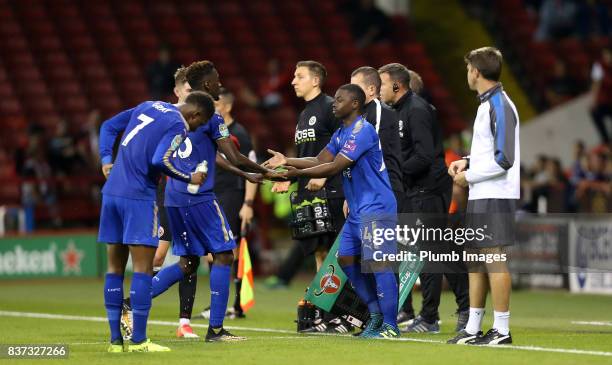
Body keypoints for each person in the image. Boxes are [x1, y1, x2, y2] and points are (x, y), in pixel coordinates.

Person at [133, 60, 276, 343]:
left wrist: (245, 173)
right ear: (207, 84)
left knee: (187, 262)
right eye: (216, 79)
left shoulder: (175, 112)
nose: (220, 83)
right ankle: (217, 329)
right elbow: (233, 155)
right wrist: (265, 171)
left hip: (173, 197)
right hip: (199, 199)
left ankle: (130, 302)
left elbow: (216, 158)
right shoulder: (212, 116)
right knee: (224, 254)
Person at [266, 84, 400, 338]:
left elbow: (333, 167)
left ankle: (390, 326)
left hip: (377, 206)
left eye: (339, 99)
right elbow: (319, 160)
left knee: (379, 263)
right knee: (345, 258)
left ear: (355, 104)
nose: (333, 103)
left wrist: (295, 175)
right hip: (358, 208)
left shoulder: (362, 131)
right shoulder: (341, 133)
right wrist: (288, 161)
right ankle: (375, 314)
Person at [98, 91, 214, 352]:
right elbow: (159, 160)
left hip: (111, 193)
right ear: (195, 114)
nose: (196, 128)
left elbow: (108, 126)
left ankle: (115, 342)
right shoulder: (178, 124)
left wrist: (107, 160)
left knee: (114, 268)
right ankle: (139, 340)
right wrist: (190, 176)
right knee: (142, 268)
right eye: (200, 122)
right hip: (138, 197)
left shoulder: (148, 105)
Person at [378, 63, 469, 333]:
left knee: (431, 252)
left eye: (382, 83)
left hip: (428, 188)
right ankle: (458, 309)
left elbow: (425, 156)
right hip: (417, 188)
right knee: (437, 250)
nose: (380, 89)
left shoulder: (416, 110)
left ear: (396, 85)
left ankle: (432, 317)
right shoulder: (400, 111)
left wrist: (393, 171)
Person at [267, 61, 349, 333]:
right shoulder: (305, 114)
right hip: (309, 194)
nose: (293, 81)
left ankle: (340, 312)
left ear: (315, 81)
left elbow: (344, 145)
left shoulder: (329, 107)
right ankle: (325, 312)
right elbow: (308, 157)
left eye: (299, 76)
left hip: (331, 191)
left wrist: (325, 175)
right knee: (320, 253)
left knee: (336, 254)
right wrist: (289, 179)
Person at [448, 47, 520, 345]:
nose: (467, 74)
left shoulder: (500, 105)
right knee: (475, 260)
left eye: (468, 68)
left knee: (494, 259)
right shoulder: (488, 104)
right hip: (483, 192)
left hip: (495, 193)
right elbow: (490, 150)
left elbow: (504, 159)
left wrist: (470, 175)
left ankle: (501, 330)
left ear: (476, 71)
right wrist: (467, 159)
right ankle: (473, 327)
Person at [199, 88, 259, 320]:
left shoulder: (239, 133)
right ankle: (218, 303)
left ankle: (235, 304)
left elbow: (250, 166)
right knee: (211, 252)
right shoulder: (211, 131)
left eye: (215, 105)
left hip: (232, 194)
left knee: (227, 250)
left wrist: (248, 203)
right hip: (212, 194)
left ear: (227, 107)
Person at [590, 45, 612, 144]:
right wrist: (593, 100)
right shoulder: (598, 65)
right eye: (606, 55)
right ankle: (605, 140)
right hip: (603, 101)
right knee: (595, 113)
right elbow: (596, 83)